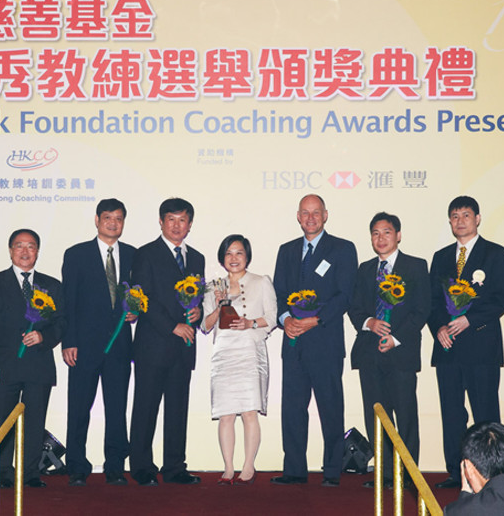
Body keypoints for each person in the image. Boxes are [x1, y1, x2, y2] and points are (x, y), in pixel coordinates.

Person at [271, 194, 357, 486]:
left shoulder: (343, 249)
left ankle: (332, 470)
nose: (310, 218)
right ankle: (294, 470)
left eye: (316, 212)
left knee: (330, 408)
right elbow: (279, 294)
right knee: (293, 409)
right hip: (293, 342)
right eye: (305, 213)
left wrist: (315, 319)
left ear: (326, 215)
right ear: (297, 216)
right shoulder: (287, 250)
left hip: (325, 342)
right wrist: (286, 321)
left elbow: (345, 295)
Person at [428, 196, 504, 489]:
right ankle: (456, 472)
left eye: (466, 215)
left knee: (486, 414)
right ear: (449, 221)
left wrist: (470, 319)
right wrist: (438, 327)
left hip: (481, 347)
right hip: (448, 348)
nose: (460, 220)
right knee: (452, 413)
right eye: (454, 216)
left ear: (478, 218)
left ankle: (495, 474)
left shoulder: (496, 254)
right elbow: (432, 301)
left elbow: (503, 299)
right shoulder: (440, 257)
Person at [0, 228, 66, 488]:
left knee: (35, 421)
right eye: (19, 246)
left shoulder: (52, 285)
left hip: (38, 365)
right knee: (3, 422)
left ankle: (30, 473)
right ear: (10, 250)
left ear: (37, 251)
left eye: (31, 246)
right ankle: (3, 472)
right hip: (3, 366)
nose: (25, 251)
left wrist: (43, 337)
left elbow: (61, 324)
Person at [348, 212, 430, 489]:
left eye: (386, 232)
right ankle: (383, 474)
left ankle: (407, 475)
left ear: (398, 235)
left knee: (406, 417)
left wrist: (396, 338)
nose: (380, 238)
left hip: (401, 353)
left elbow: (422, 310)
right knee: (376, 417)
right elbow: (354, 306)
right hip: (370, 354)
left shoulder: (416, 266)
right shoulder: (365, 269)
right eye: (375, 233)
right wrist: (369, 323)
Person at [129, 197, 205, 486]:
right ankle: (142, 468)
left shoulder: (196, 258)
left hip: (183, 348)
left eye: (182, 220)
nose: (176, 225)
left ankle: (175, 468)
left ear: (189, 225)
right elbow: (143, 297)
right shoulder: (145, 254)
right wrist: (172, 326)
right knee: (146, 408)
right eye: (171, 219)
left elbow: (195, 297)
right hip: (153, 345)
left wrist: (197, 313)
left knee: (177, 409)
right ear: (161, 222)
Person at [62, 199, 136, 486]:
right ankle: (77, 467)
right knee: (79, 407)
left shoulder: (132, 255)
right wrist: (69, 341)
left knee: (117, 409)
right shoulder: (76, 254)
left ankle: (115, 466)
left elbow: (139, 294)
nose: (113, 223)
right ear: (96, 220)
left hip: (119, 345)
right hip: (83, 345)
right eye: (108, 217)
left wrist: (135, 311)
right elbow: (68, 300)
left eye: (119, 218)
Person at [202, 235, 277, 485]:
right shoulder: (213, 286)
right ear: (222, 258)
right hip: (224, 352)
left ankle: (248, 467)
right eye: (229, 254)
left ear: (247, 256)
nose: (234, 258)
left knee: (248, 412)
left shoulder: (261, 282)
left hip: (249, 350)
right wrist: (219, 304)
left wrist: (250, 323)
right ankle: (228, 467)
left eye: (239, 253)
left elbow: (273, 317)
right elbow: (205, 324)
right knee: (225, 414)